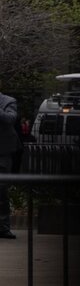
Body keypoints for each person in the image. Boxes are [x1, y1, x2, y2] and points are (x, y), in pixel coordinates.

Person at [0, 83, 20, 239]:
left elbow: (10, 119)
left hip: (3, 152)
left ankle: (3, 227)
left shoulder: (8, 101)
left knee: (1, 190)